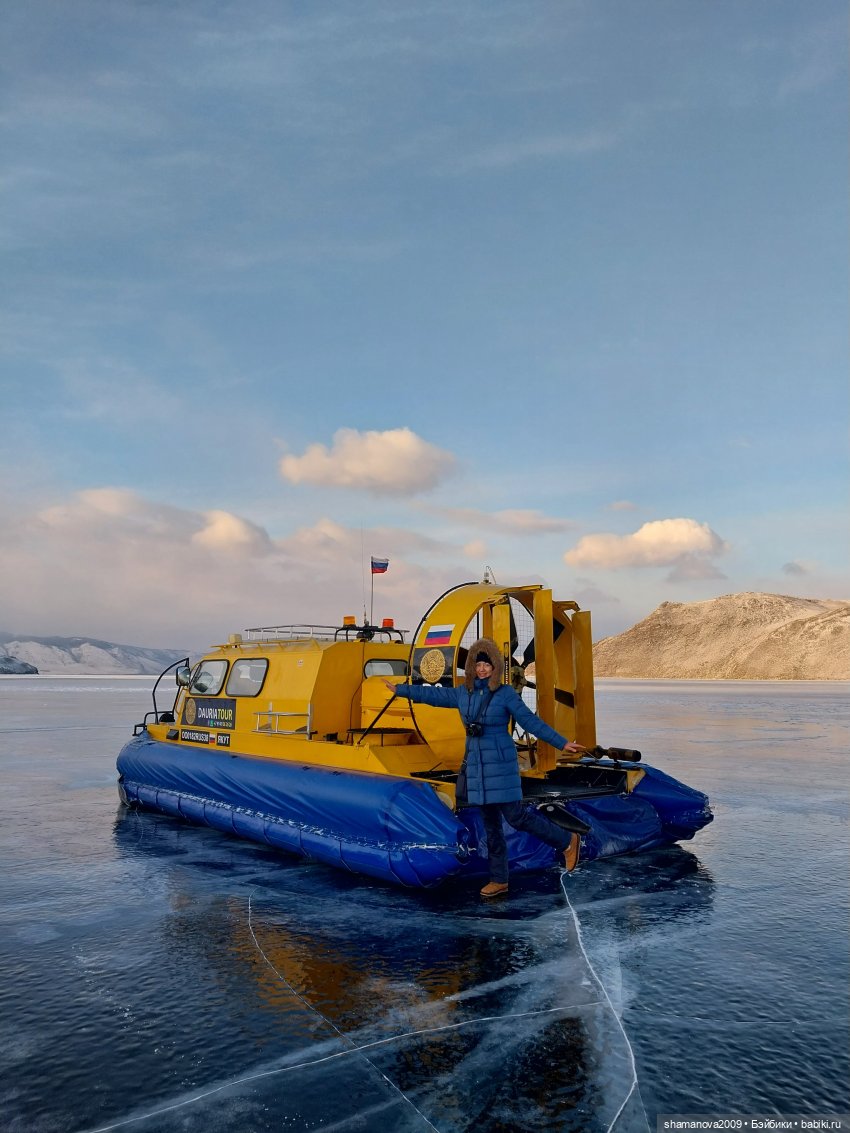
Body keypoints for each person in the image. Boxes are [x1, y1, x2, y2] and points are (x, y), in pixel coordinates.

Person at [383, 636, 585, 898]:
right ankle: (499, 879)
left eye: (487, 665)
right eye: (477, 665)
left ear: (495, 668)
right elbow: (432, 695)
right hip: (477, 764)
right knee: (490, 826)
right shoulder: (462, 693)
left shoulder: (505, 695)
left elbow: (530, 722)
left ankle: (567, 841)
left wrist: (562, 743)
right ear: (471, 667)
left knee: (516, 817)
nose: (482, 669)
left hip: (500, 763)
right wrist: (401, 690)